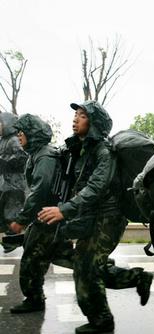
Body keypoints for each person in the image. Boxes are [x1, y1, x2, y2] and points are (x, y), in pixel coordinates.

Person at [37, 101, 153, 334]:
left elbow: (96, 187)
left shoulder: (103, 151)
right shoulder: (81, 149)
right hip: (90, 217)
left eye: (82, 115)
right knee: (87, 266)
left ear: (94, 123)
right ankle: (137, 279)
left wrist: (65, 210)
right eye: (75, 115)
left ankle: (102, 322)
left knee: (87, 268)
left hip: (109, 218)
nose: (75, 119)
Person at [8, 114, 75, 313]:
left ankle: (34, 300)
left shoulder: (44, 155)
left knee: (31, 260)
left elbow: (41, 189)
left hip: (47, 218)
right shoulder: (37, 153)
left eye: (22, 132)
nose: (19, 136)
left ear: (32, 133)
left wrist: (21, 219)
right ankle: (108, 269)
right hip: (47, 217)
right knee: (67, 257)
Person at [0, 112, 28, 252]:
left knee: (11, 212)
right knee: (4, 212)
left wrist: (5, 161)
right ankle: (10, 239)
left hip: (14, 184)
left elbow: (21, 156)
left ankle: (14, 239)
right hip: (5, 182)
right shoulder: (2, 140)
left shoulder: (14, 140)